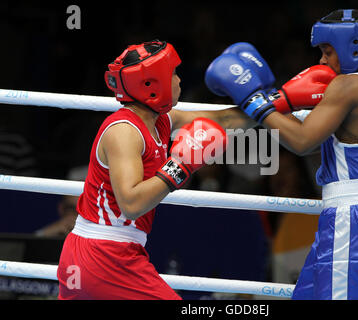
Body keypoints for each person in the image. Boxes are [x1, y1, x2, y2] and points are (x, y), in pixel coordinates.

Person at [205, 9, 358, 300]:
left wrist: (252, 98)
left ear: (353, 45)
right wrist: (273, 97)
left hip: (352, 216)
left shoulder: (349, 86)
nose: (322, 60)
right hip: (354, 214)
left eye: (327, 50)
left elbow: (302, 141)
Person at [57, 40, 255, 300]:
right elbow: (131, 202)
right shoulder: (125, 131)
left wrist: (272, 105)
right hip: (106, 256)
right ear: (152, 83)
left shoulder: (160, 120)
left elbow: (223, 120)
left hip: (98, 255)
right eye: (173, 73)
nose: (180, 80)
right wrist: (181, 166)